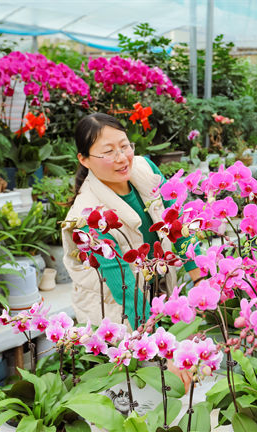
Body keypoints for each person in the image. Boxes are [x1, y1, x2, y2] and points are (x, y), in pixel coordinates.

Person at [61, 113, 200, 389]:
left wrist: (200, 278)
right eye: (108, 152)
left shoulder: (144, 168)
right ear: (84, 159)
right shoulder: (88, 216)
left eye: (124, 146)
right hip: (116, 307)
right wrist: (164, 350)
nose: (122, 157)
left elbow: (175, 220)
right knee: (133, 391)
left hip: (152, 286)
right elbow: (122, 284)